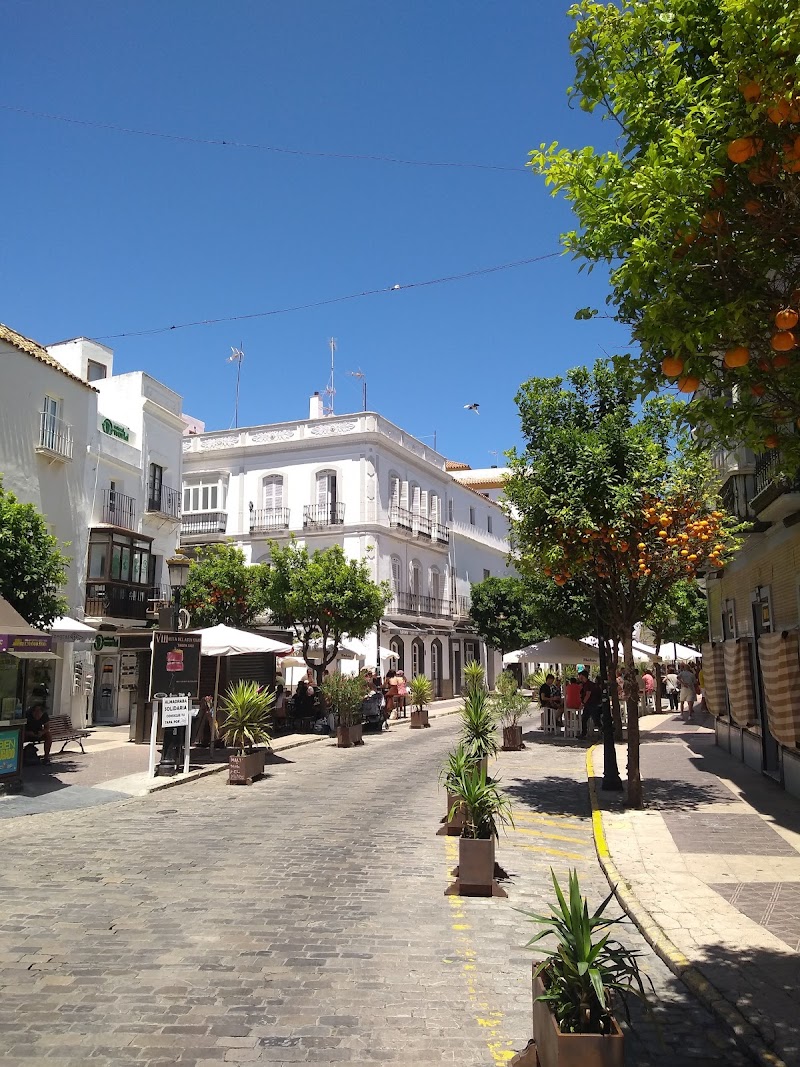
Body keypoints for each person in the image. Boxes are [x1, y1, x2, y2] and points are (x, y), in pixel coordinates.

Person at [578, 670, 603, 740]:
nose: (579, 677)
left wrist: (582, 703)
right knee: (585, 719)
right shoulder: (587, 684)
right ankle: (584, 734)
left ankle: (603, 731)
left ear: (583, 676)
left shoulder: (588, 684)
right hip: (589, 704)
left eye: (580, 676)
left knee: (595, 719)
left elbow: (588, 694)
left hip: (591, 704)